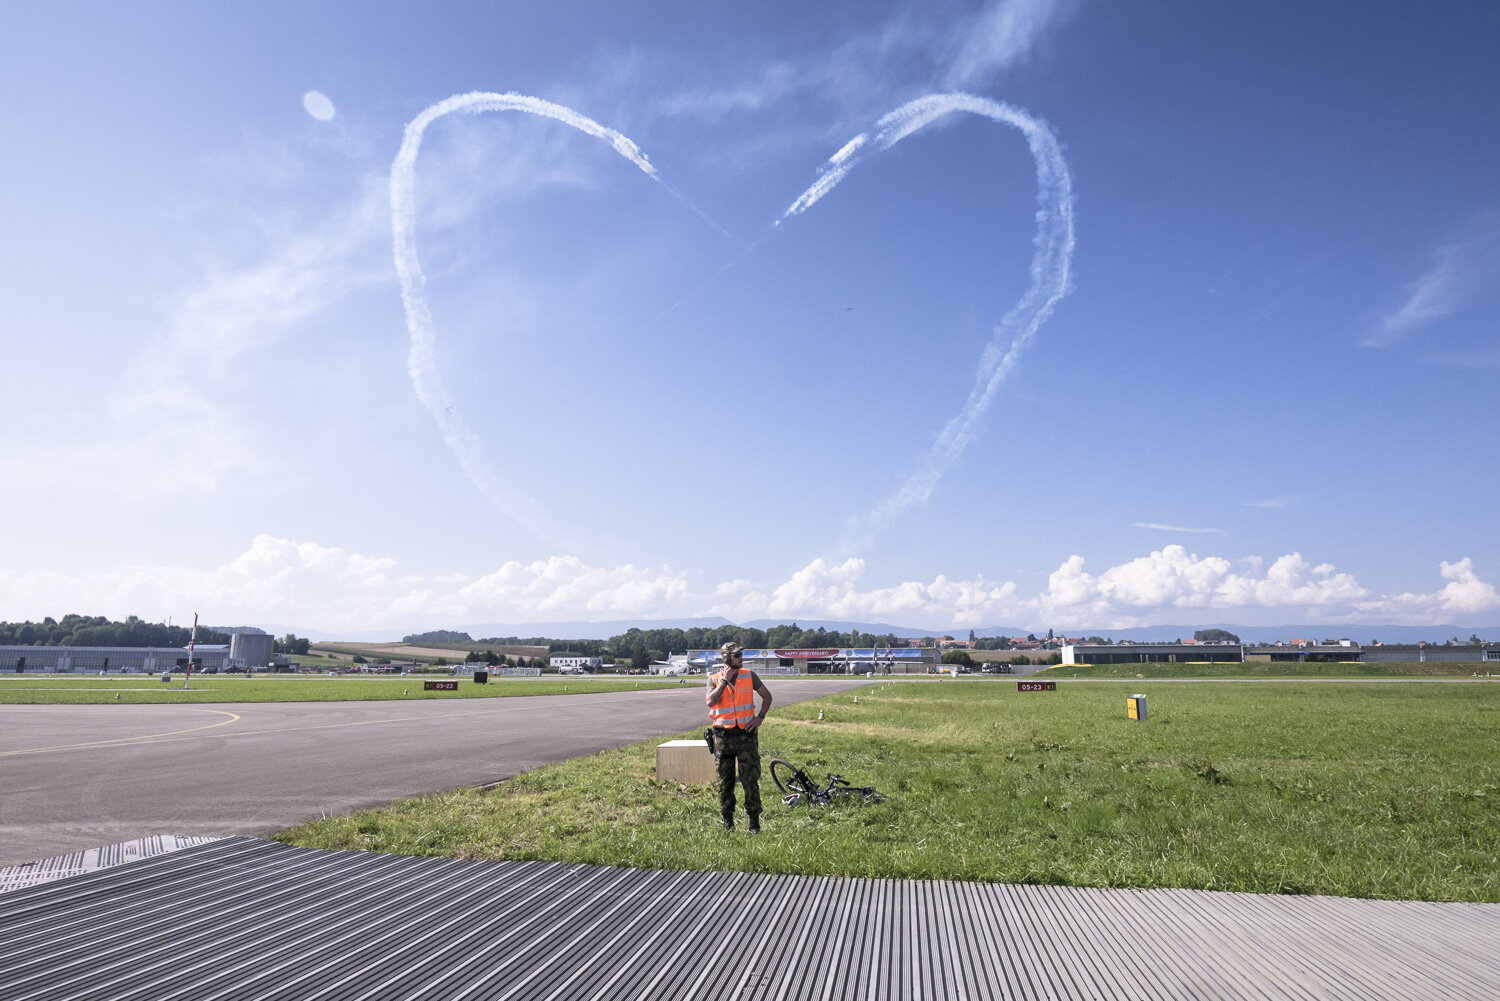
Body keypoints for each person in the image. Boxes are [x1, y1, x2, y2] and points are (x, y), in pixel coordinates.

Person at [705, 641, 773, 832]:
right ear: (727, 658)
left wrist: (760, 718)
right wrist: (725, 682)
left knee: (750, 778)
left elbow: (767, 696)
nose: (741, 659)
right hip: (723, 737)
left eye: (741, 655)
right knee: (724, 781)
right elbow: (710, 701)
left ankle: (754, 822)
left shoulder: (749, 676)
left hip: (746, 736)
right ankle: (728, 821)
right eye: (737, 656)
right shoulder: (715, 679)